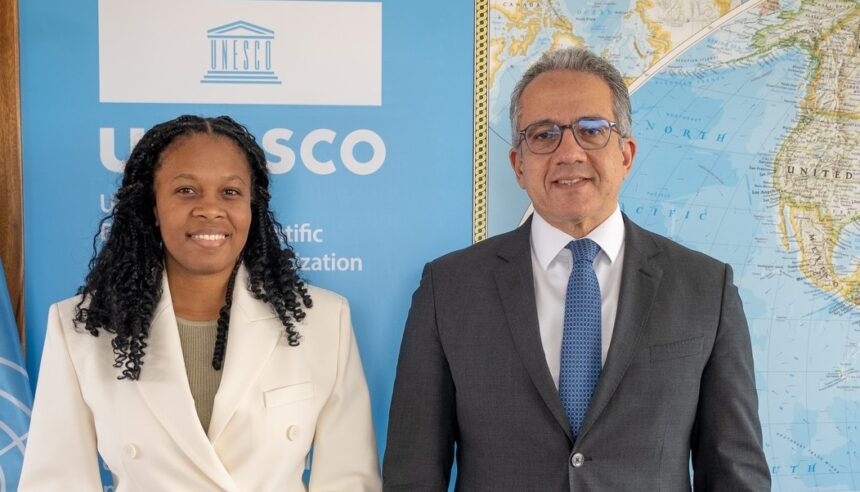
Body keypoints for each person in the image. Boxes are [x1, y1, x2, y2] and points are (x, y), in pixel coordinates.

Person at [384, 48, 770, 490]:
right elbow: (412, 473)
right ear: (518, 166)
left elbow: (735, 475)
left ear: (625, 155)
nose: (569, 152)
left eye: (591, 130)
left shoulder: (706, 289)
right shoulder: (449, 289)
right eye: (544, 134)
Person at [21, 115, 382, 491]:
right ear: (153, 207)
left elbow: (348, 481)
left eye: (230, 192)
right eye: (186, 190)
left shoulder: (323, 321)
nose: (210, 209)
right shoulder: (83, 328)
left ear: (252, 206)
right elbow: (56, 483)